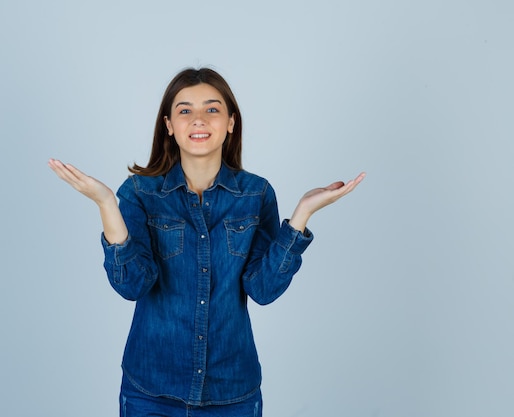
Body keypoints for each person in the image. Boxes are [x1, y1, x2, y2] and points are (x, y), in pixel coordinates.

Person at [49, 67, 365, 416]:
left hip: (232, 393)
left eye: (212, 109)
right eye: (185, 110)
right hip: (151, 393)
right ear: (169, 125)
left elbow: (263, 289)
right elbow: (132, 284)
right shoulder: (139, 192)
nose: (198, 119)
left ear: (231, 122)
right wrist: (106, 204)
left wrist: (302, 215)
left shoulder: (256, 194)